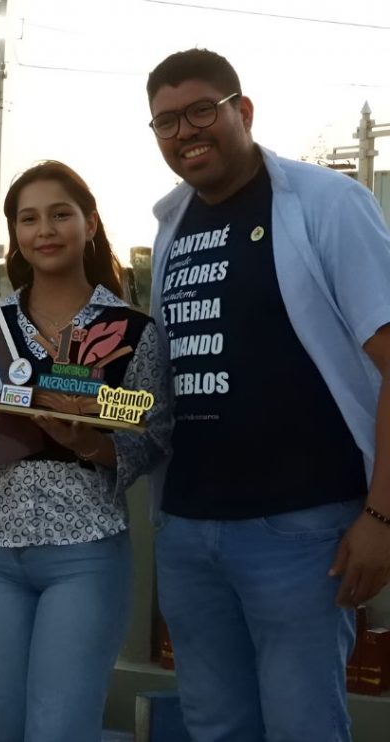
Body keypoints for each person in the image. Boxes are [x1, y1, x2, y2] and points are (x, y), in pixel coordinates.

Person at [146, 48, 390, 741]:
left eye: (202, 111)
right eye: (167, 121)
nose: (186, 132)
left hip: (301, 530)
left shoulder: (328, 203)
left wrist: (382, 516)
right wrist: (78, 420)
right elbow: (170, 383)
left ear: (243, 111)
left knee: (302, 727)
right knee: (215, 726)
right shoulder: (171, 226)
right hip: (188, 529)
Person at [0, 161, 171, 740]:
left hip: (85, 550)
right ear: (15, 233)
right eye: (28, 218)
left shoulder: (132, 331)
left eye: (60, 215)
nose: (45, 230)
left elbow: (152, 433)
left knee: (60, 728)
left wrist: (91, 442)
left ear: (90, 224)